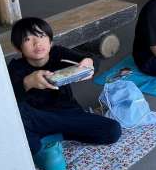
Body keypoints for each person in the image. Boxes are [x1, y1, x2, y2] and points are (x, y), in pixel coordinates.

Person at [8, 17, 121, 156]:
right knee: (18, 115)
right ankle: (51, 136)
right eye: (27, 39)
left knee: (113, 130)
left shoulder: (58, 54)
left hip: (67, 115)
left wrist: (90, 62)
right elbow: (8, 102)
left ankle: (52, 136)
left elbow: (90, 60)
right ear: (17, 47)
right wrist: (28, 82)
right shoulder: (15, 68)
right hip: (38, 119)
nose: (37, 43)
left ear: (50, 40)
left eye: (42, 36)